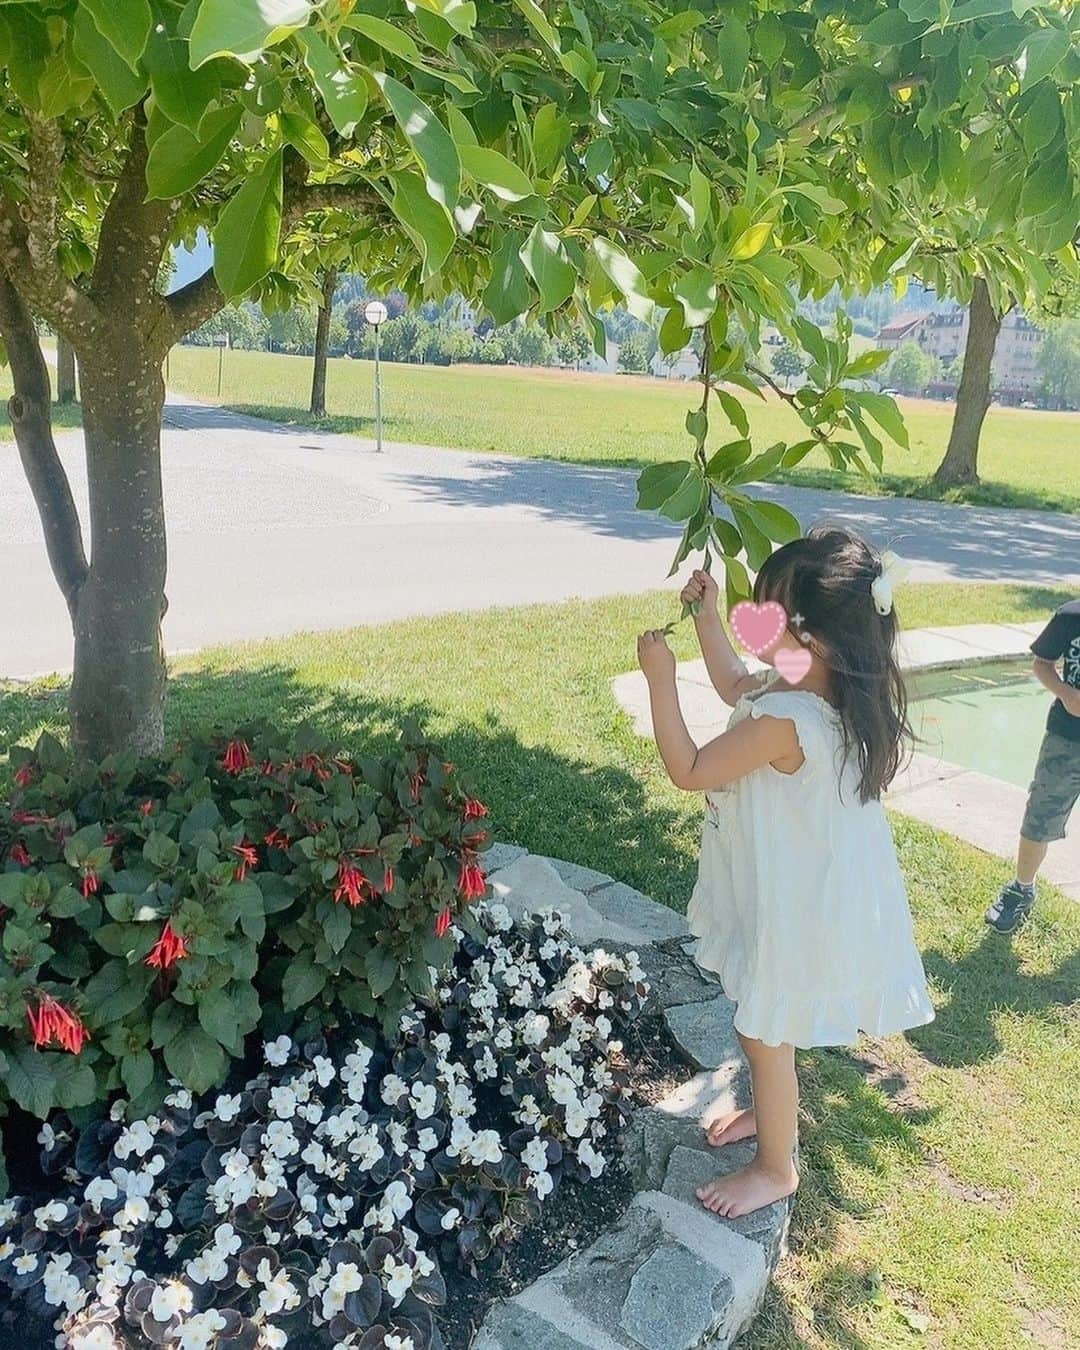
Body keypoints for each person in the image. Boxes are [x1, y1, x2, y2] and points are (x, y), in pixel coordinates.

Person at [636, 526, 934, 1219]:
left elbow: (690, 770)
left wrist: (660, 681)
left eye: (770, 616)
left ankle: (776, 1166)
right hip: (795, 891)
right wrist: (709, 619)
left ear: (815, 640)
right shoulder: (822, 689)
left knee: (764, 1032)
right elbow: (738, 681)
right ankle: (771, 1119)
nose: (756, 627)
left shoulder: (789, 721)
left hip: (796, 908)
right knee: (759, 1028)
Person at [985, 599, 1080, 934]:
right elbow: (1042, 664)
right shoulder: (1071, 616)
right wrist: (1066, 693)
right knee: (1039, 815)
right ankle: (1022, 889)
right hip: (1067, 737)